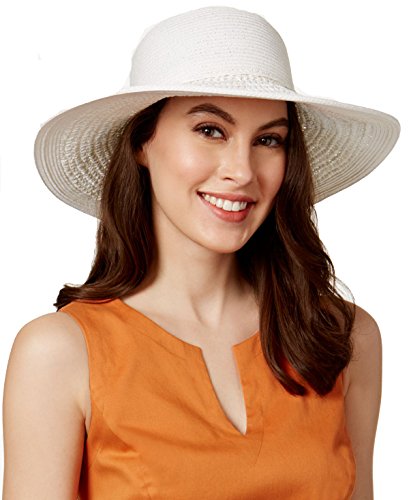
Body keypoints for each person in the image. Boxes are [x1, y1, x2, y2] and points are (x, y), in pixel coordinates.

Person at [2, 6, 399, 499]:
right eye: (211, 130)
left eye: (269, 140)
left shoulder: (343, 338)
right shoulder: (60, 353)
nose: (242, 171)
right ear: (142, 142)